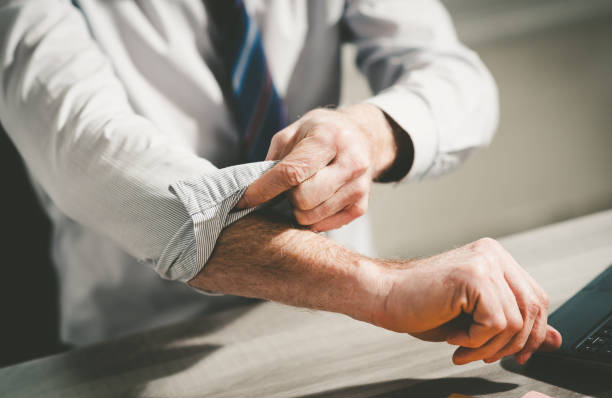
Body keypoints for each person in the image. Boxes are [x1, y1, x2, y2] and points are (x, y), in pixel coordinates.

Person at [0, 0, 561, 365]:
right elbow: (104, 167)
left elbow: (455, 76)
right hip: (140, 345)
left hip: (337, 325)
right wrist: (385, 288)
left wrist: (367, 132)